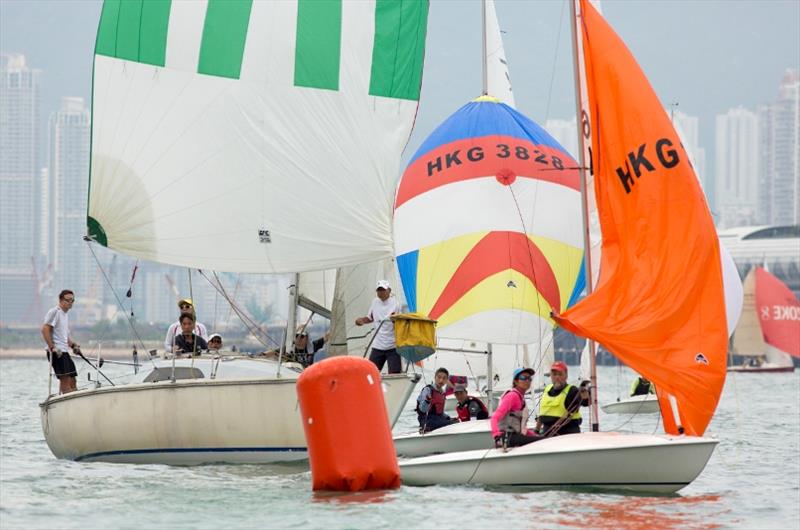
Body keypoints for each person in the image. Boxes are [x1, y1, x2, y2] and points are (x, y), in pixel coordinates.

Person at [355, 280, 400, 374]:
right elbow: (370, 317)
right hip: (378, 346)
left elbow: (401, 323)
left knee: (394, 374)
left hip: (393, 346)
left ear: (389, 290)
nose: (381, 292)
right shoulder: (375, 302)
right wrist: (362, 321)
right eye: (379, 290)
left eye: (383, 290)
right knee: (370, 373)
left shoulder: (396, 303)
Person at [491, 367, 542, 448]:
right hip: (507, 437)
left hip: (515, 437)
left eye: (529, 378)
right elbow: (494, 418)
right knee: (542, 441)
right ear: (515, 381)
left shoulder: (521, 398)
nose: (527, 381)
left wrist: (536, 435)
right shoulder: (512, 396)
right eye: (523, 378)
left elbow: (521, 428)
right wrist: (497, 437)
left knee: (543, 440)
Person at [535, 361, 590, 436]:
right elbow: (542, 414)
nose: (557, 377)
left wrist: (586, 393)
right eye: (554, 374)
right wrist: (536, 431)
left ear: (566, 376)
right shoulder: (547, 389)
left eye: (560, 374)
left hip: (566, 435)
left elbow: (585, 402)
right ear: (550, 375)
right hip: (547, 433)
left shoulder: (572, 390)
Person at [41, 289, 80, 394]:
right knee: (65, 379)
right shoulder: (55, 312)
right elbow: (45, 329)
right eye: (68, 300)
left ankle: (70, 398)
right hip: (57, 352)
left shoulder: (65, 315)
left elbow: (65, 336)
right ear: (61, 300)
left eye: (72, 300)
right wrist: (52, 347)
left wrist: (73, 345)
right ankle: (67, 401)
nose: (70, 303)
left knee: (73, 378)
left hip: (65, 351)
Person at [415, 367, 453, 433]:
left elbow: (440, 412)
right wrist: (427, 400)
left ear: (447, 380)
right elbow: (422, 409)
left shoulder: (442, 393)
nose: (441, 380)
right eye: (439, 377)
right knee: (450, 424)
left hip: (438, 418)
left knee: (454, 421)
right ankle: (426, 429)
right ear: (435, 377)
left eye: (444, 378)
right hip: (427, 419)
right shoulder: (428, 390)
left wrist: (448, 417)